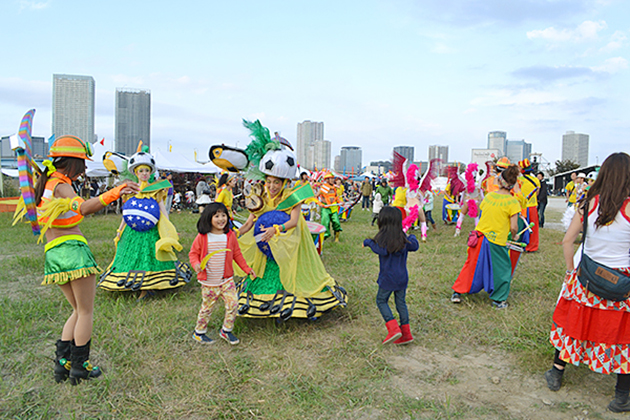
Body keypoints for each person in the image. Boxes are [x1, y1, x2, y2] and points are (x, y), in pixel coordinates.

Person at [16, 135, 139, 384]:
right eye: (82, 163)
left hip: (53, 253)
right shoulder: (61, 185)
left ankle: (63, 364)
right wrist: (117, 191)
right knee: (85, 311)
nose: (84, 169)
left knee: (76, 310)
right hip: (73, 250)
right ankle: (80, 368)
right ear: (72, 163)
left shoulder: (45, 185)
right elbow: (83, 208)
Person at [234, 119, 347, 319]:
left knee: (290, 273)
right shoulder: (261, 195)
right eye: (268, 181)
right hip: (266, 246)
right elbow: (252, 219)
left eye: (276, 182)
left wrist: (275, 230)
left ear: (284, 181)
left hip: (287, 243)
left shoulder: (292, 197)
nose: (272, 186)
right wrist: (239, 232)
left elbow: (293, 222)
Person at [545, 153, 630, 413]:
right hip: (623, 280)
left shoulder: (588, 203)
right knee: (624, 335)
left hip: (587, 276)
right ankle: (622, 395)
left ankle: (557, 372)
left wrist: (572, 272)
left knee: (574, 323)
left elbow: (568, 240)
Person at [98, 147, 191, 298]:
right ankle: (130, 281)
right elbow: (127, 213)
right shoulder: (130, 191)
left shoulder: (156, 190)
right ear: (135, 173)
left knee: (150, 255)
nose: (144, 173)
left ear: (151, 172)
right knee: (133, 254)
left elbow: (162, 210)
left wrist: (169, 229)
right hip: (132, 230)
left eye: (147, 170)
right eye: (141, 171)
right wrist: (119, 230)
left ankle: (148, 287)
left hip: (152, 230)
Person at [450, 165, 522, 309]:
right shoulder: (513, 202)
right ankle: (498, 300)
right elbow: (514, 227)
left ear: (500, 181)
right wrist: (514, 236)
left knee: (471, 265)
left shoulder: (489, 196)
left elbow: (482, 210)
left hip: (479, 237)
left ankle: (457, 292)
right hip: (497, 240)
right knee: (502, 270)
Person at [189, 203, 256, 345]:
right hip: (209, 283)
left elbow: (237, 254)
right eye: (217, 216)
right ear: (208, 218)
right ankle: (199, 332)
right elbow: (193, 253)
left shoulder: (230, 235)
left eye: (223, 215)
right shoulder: (203, 237)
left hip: (226, 280)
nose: (221, 219)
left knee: (233, 304)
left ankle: (226, 330)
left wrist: (247, 269)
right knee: (207, 308)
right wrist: (196, 265)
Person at [363, 206, 419, 344]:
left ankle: (393, 328)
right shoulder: (403, 238)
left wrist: (367, 242)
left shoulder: (382, 240)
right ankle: (406, 333)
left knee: (381, 301)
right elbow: (415, 245)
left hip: (388, 278)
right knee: (401, 303)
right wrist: (411, 235)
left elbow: (380, 250)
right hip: (402, 278)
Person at [518, 159, 541, 252]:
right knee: (533, 227)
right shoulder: (536, 180)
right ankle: (532, 246)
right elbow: (537, 193)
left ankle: (519, 244)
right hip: (532, 206)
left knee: (520, 226)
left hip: (521, 206)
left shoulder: (519, 180)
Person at [318, 172, 343, 242]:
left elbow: (336, 197)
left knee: (337, 222)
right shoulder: (324, 188)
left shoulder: (334, 188)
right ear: (327, 180)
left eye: (333, 178)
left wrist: (340, 202)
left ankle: (336, 238)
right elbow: (316, 196)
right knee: (325, 222)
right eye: (331, 178)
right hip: (325, 208)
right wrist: (320, 203)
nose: (332, 180)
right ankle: (323, 237)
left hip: (333, 208)